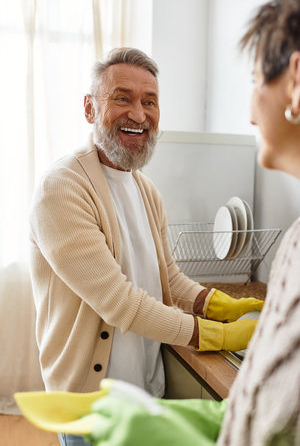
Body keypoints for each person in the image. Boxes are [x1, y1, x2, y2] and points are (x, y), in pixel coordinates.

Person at [29, 47, 263, 446]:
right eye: (122, 98)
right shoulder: (62, 189)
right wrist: (217, 336)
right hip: (92, 408)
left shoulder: (145, 187)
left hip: (147, 389)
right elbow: (119, 302)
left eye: (149, 101)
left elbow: (166, 275)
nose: (139, 114)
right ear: (89, 109)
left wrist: (214, 303)